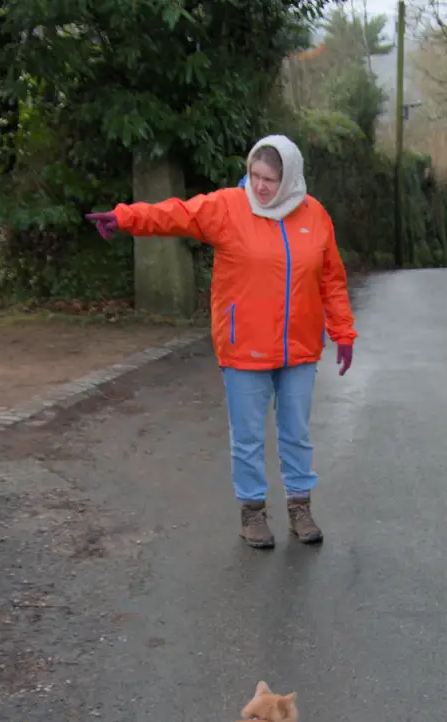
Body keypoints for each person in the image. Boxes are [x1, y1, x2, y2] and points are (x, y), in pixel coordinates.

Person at [85, 135, 356, 549]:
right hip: (244, 346)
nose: (261, 186)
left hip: (299, 347)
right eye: (255, 175)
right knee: (247, 436)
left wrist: (342, 332)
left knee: (296, 432)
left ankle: (300, 507)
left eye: (270, 179)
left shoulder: (314, 214)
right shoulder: (229, 207)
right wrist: (125, 219)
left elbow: (331, 278)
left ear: (290, 179)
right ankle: (252, 513)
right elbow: (176, 214)